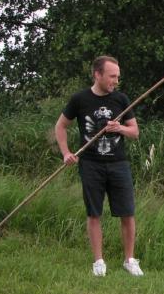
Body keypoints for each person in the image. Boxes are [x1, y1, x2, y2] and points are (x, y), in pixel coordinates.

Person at [54, 55, 143, 276]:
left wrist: (119, 128)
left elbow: (135, 132)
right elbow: (60, 126)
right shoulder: (80, 99)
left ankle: (130, 260)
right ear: (97, 74)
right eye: (112, 76)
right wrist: (66, 153)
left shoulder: (121, 99)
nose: (116, 81)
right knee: (94, 213)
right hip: (90, 164)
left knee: (127, 212)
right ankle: (99, 262)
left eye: (118, 77)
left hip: (118, 164)